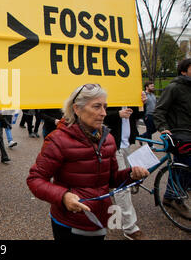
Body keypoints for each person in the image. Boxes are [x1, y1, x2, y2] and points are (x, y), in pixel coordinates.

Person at [27, 84, 149, 240]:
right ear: (77, 109)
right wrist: (64, 197)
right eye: (97, 107)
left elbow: (111, 179)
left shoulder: (108, 139)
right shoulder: (57, 140)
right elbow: (35, 179)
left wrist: (131, 175)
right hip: (68, 223)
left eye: (105, 107)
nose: (104, 113)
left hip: (99, 220)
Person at [154, 58, 191, 220]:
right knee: (184, 166)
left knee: (181, 168)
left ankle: (170, 196)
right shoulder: (174, 87)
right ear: (184, 71)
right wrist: (163, 128)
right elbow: (159, 111)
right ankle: (175, 198)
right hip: (179, 134)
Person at [104, 102, 148, 240]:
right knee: (123, 187)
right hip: (114, 144)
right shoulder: (110, 95)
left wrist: (143, 103)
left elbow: (138, 115)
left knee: (129, 177)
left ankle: (107, 189)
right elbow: (98, 115)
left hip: (127, 144)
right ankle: (130, 228)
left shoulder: (129, 95)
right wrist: (117, 114)